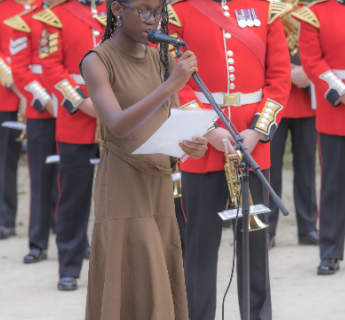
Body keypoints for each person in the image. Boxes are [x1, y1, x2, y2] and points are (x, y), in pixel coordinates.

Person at [80, 0, 207, 316]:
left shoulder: (161, 58)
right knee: (133, 273)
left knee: (159, 274)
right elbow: (117, 123)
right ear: (117, 10)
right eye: (144, 9)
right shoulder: (97, 60)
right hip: (123, 184)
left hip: (159, 181)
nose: (154, 19)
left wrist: (193, 144)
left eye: (159, 11)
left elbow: (169, 119)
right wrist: (170, 84)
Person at [168, 0, 291, 318]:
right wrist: (208, 130)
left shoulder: (266, 9)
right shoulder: (178, 12)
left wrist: (257, 131)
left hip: (252, 146)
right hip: (202, 147)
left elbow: (278, 79)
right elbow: (174, 81)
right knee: (200, 248)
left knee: (254, 245)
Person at [295, 0, 345, 275]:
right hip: (338, 110)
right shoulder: (314, 13)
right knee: (334, 187)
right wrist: (344, 94)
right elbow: (313, 62)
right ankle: (330, 252)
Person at [38, 0, 104, 290]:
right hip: (76, 118)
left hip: (119, 116)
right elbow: (50, 67)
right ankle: (69, 267)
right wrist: (82, 102)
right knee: (73, 198)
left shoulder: (120, 9)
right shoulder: (55, 16)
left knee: (120, 197)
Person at [0, 0, 40, 241]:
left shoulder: (46, 7)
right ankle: (6, 221)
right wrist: (17, 85)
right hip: (8, 95)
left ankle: (50, 218)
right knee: (6, 160)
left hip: (42, 96)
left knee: (46, 161)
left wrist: (33, 88)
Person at [5, 0, 63, 264]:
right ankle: (38, 242)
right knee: (40, 179)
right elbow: (19, 71)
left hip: (72, 108)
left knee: (72, 178)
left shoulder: (73, 16)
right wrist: (47, 101)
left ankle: (74, 237)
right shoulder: (24, 21)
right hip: (41, 110)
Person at [268, 0, 318, 248]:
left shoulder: (307, 12)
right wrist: (289, 73)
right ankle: (267, 229)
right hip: (275, 104)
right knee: (269, 169)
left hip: (307, 101)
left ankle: (308, 228)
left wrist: (310, 72)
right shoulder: (266, 10)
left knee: (307, 168)